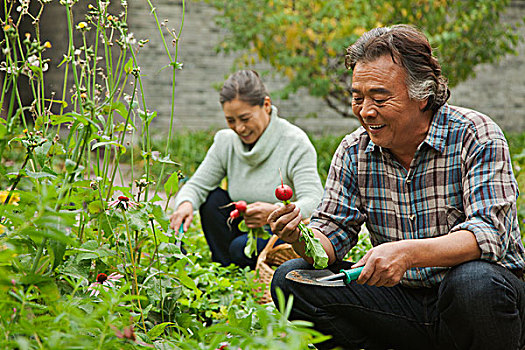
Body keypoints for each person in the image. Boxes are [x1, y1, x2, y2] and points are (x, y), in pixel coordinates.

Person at [267, 25, 525, 350]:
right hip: (404, 303)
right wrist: (299, 236)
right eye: (357, 97)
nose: (365, 111)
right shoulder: (353, 151)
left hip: (479, 301)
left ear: (423, 95)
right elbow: (330, 234)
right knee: (291, 278)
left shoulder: (476, 135)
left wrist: (407, 253)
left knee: (473, 282)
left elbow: (488, 235)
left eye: (379, 97)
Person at [169, 70, 323, 269]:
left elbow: (314, 200)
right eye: (231, 121)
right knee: (212, 199)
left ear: (266, 105)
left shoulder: (295, 143)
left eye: (245, 118)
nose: (239, 128)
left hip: (279, 233)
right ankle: (226, 271)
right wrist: (185, 205)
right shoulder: (226, 142)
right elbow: (197, 185)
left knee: (239, 248)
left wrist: (275, 212)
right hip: (241, 228)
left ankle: (242, 268)